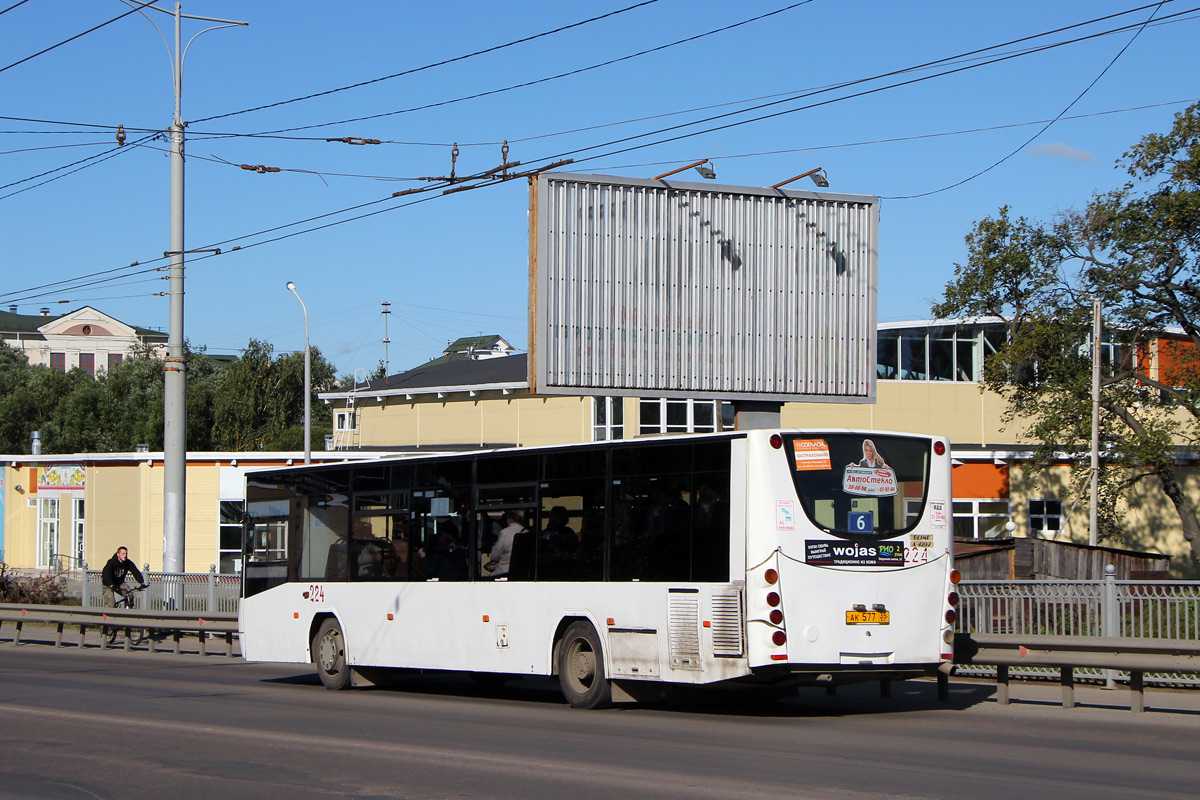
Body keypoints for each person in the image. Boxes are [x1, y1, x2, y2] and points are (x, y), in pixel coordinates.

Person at [487, 510, 527, 579]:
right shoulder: (526, 532)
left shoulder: (504, 532)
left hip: (504, 571)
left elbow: (495, 556)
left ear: (509, 520)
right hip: (521, 572)